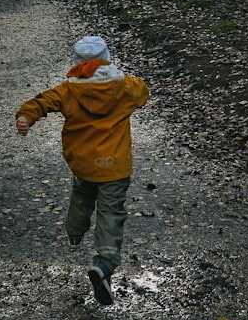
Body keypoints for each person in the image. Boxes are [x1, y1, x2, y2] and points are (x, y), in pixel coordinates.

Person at [16, 35, 149, 305]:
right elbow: (143, 93)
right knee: (111, 213)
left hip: (84, 163)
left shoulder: (68, 90)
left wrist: (25, 116)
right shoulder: (126, 87)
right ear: (108, 59)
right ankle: (105, 264)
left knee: (82, 197)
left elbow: (42, 101)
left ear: (77, 64)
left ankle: (74, 234)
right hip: (115, 165)